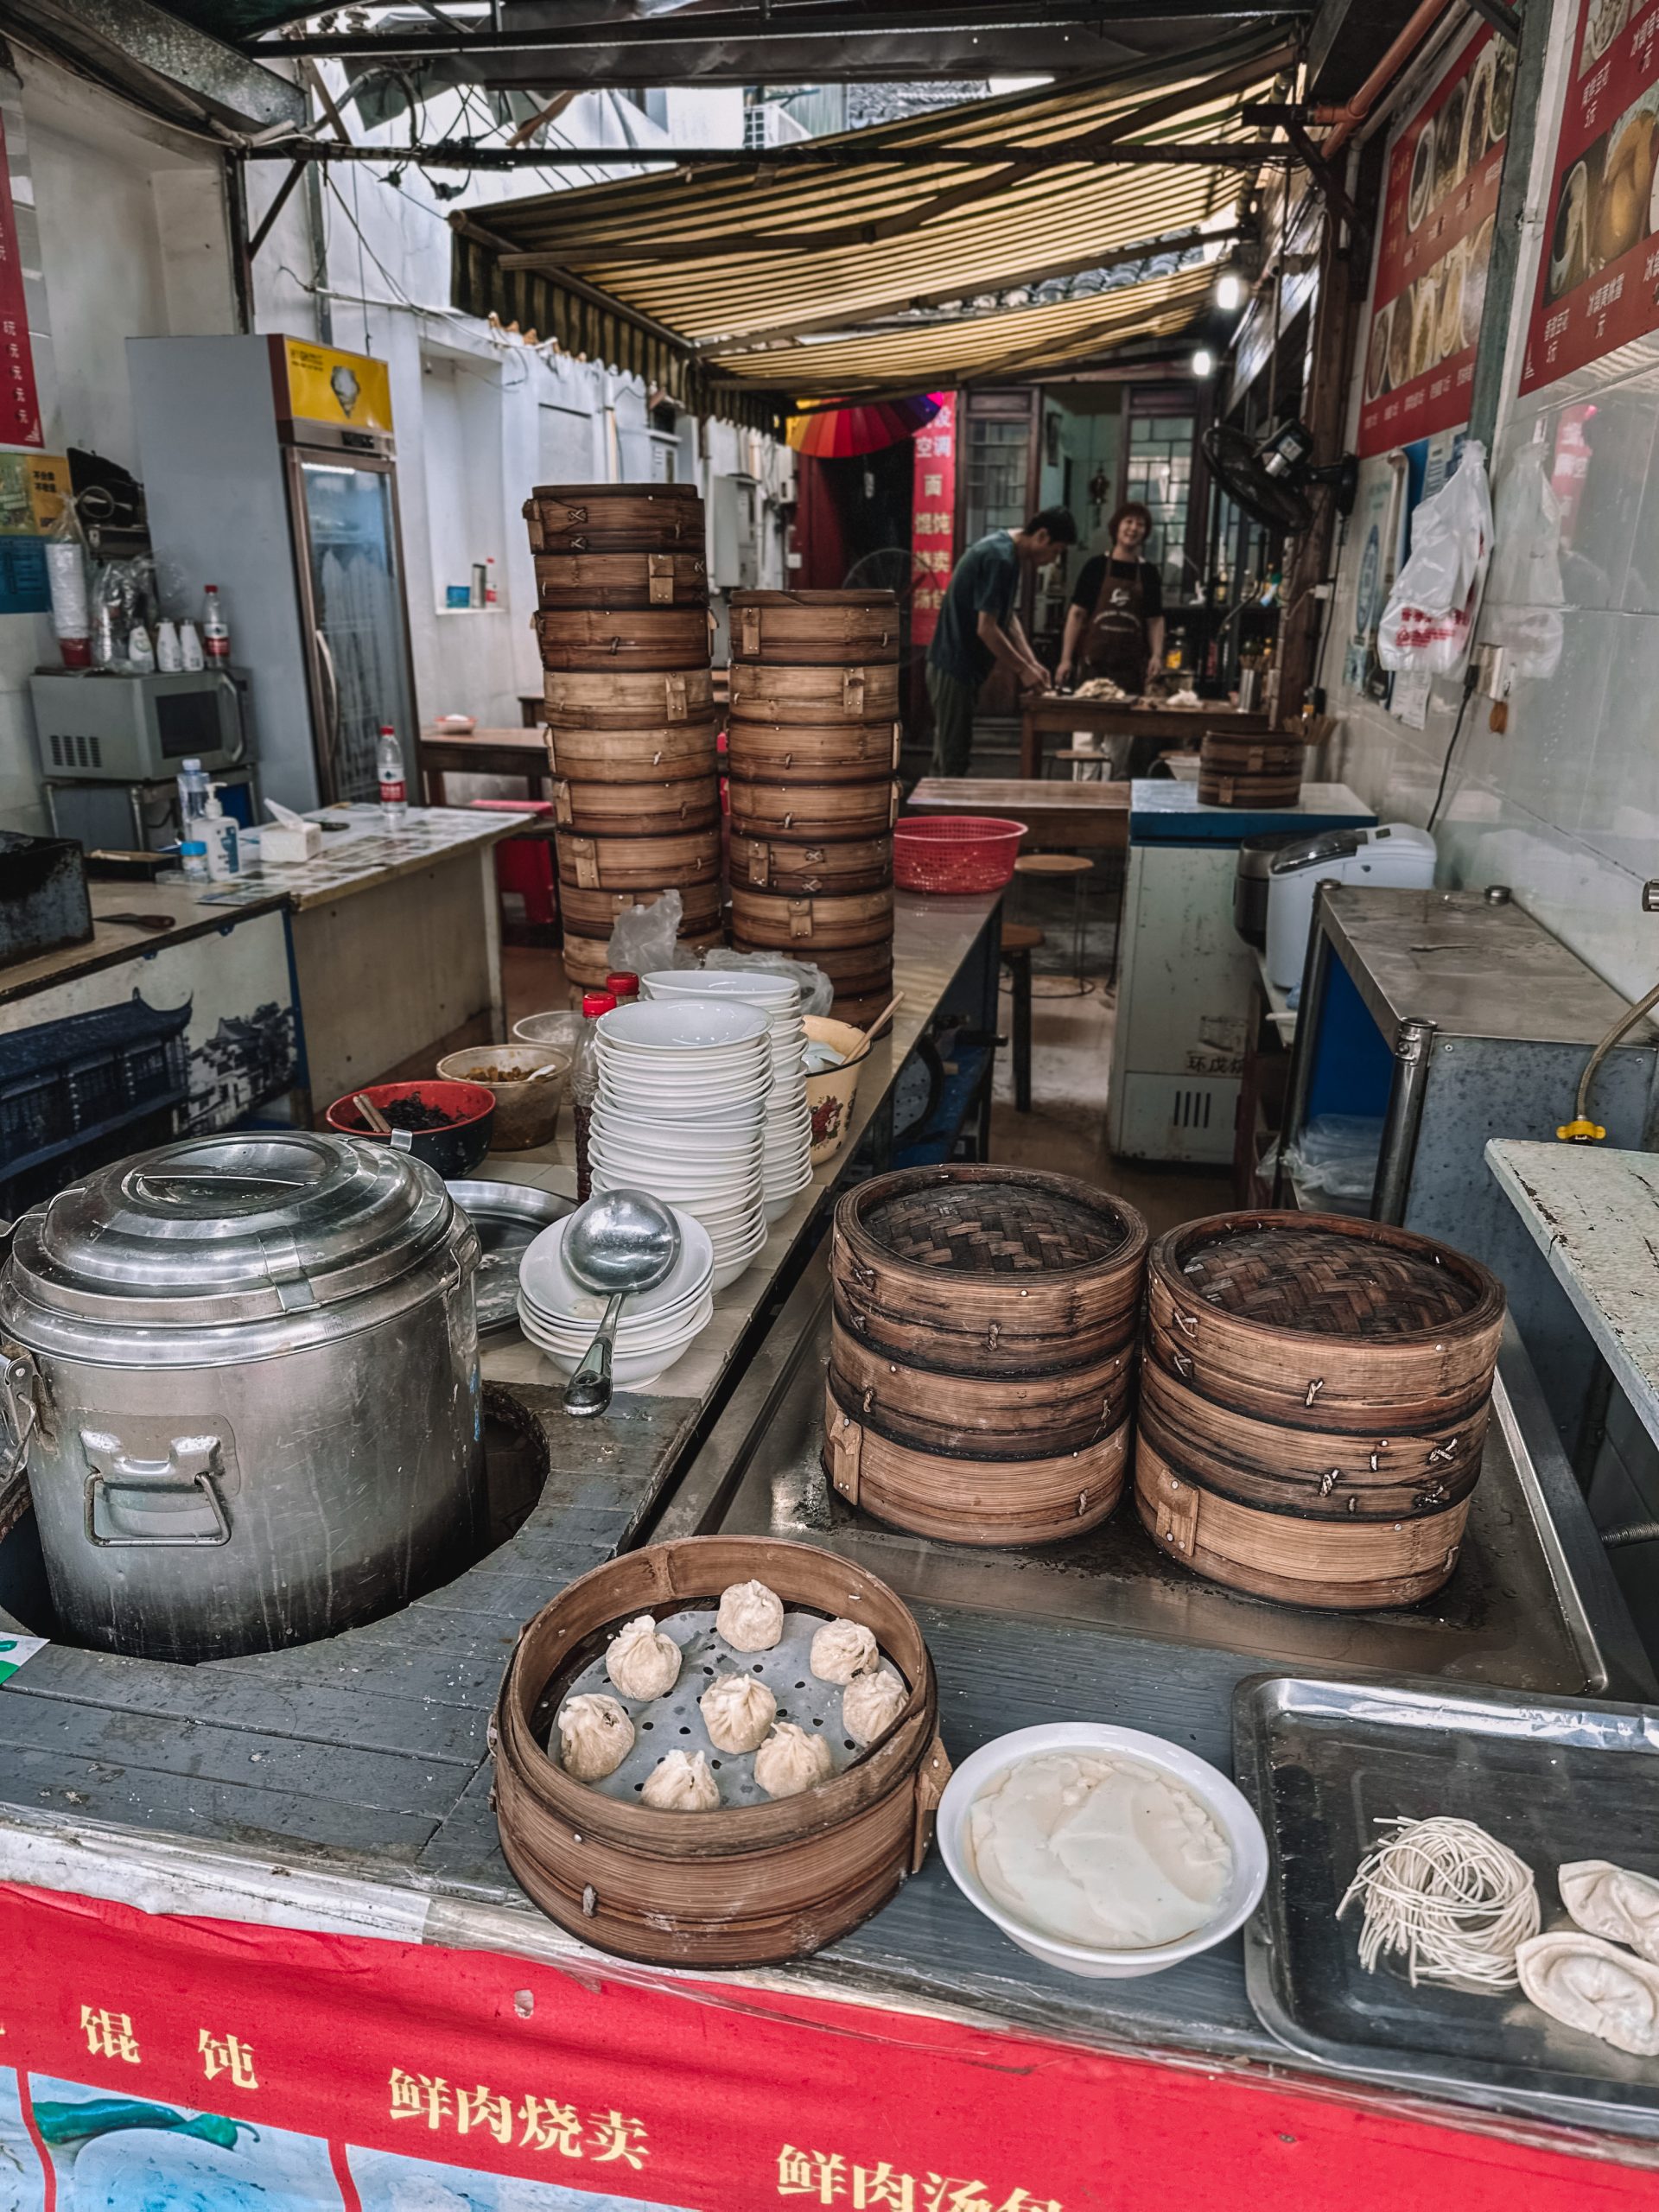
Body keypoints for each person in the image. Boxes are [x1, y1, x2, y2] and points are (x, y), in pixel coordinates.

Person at [925, 505, 1079, 776]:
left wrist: (1031, 662)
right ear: (1042, 536)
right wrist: (1022, 670)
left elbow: (1006, 618)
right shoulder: (1001, 558)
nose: (1054, 560)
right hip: (953, 665)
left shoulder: (1007, 551)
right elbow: (987, 629)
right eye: (1056, 551)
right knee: (952, 759)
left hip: (960, 668)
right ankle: (943, 818)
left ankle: (943, 815)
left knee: (951, 753)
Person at [1056, 501, 1166, 696]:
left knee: (1125, 726)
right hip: (1093, 667)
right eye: (1128, 521)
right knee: (1088, 723)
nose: (1133, 528)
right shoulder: (1095, 567)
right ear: (1116, 527)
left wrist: (1157, 656)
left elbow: (1155, 620)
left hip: (1131, 671)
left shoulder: (1149, 573)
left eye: (1140, 524)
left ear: (1145, 533)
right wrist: (1066, 659)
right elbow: (1076, 614)